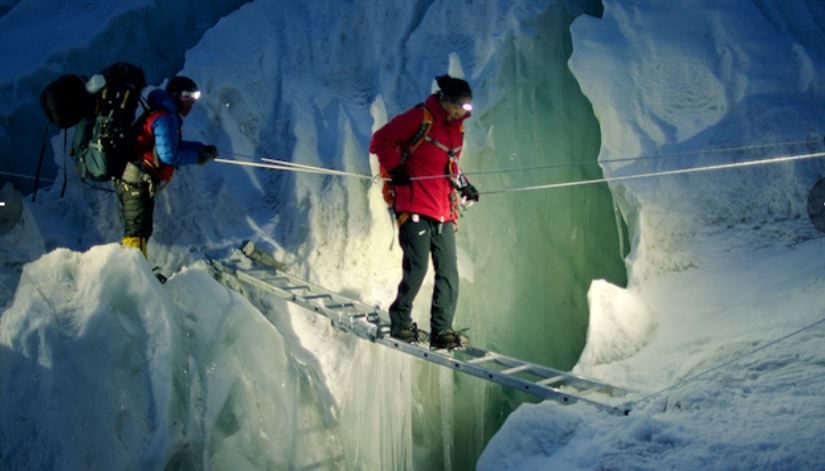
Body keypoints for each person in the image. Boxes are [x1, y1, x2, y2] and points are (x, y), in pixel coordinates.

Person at [369, 75, 480, 350]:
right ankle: (401, 321)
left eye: (464, 109)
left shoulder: (456, 130)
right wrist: (396, 169)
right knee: (417, 269)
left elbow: (450, 165)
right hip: (414, 206)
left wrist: (465, 186)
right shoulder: (421, 117)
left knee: (448, 273)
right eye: (457, 107)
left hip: (443, 211)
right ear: (444, 99)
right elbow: (381, 140)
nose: (459, 113)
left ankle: (442, 331)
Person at [117, 76, 217, 262]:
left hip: (134, 179)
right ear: (176, 96)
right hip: (136, 181)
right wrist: (198, 156)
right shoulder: (165, 118)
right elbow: (169, 155)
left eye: (193, 98)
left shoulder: (164, 114)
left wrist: (200, 149)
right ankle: (133, 274)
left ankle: (137, 270)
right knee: (137, 230)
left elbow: (172, 146)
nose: (190, 103)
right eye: (187, 97)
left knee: (140, 229)